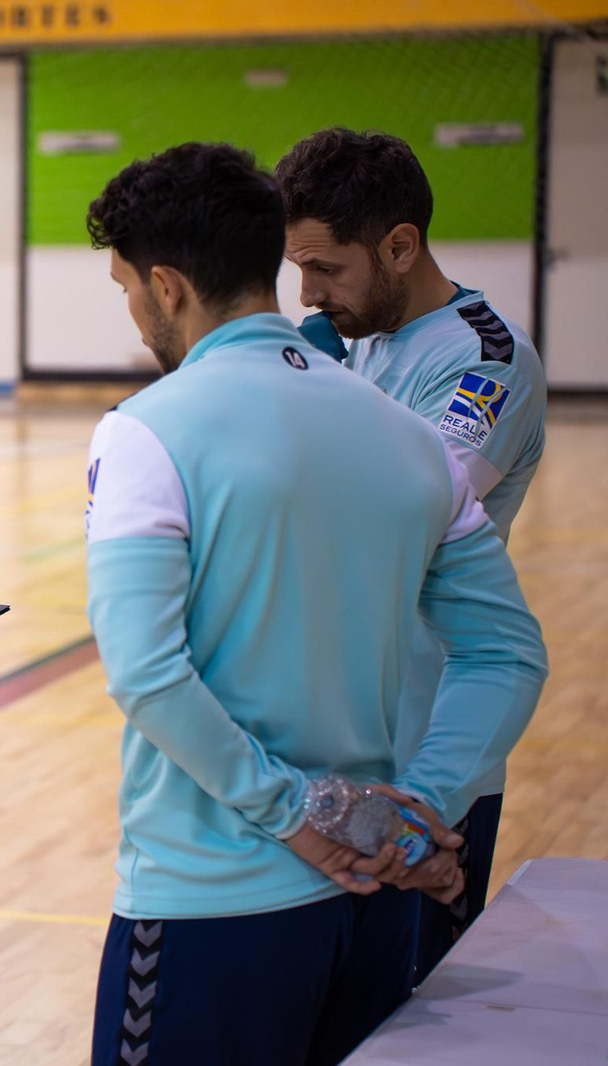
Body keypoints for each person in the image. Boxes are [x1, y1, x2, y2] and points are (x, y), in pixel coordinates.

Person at [81, 143, 547, 1066]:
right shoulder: (410, 440)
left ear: (167, 287)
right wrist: (413, 813)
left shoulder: (144, 430)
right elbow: (510, 655)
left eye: (126, 288)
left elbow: (144, 672)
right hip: (368, 899)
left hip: (211, 901)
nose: (133, 314)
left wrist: (295, 814)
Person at [276, 128, 547, 979]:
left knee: (404, 1010)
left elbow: (397, 518)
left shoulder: (484, 358)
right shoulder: (353, 338)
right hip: (337, 737)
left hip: (430, 743)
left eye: (327, 269)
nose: (309, 295)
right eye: (298, 269)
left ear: (400, 246)